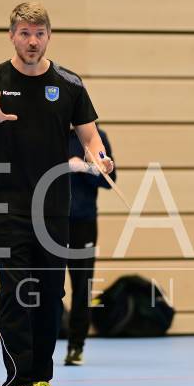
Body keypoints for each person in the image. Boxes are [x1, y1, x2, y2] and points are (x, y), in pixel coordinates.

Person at [0, 2, 113, 386]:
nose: (32, 41)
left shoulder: (69, 84)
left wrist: (99, 158)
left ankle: (41, 380)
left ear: (49, 36)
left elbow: (90, 136)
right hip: (7, 209)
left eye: (39, 33)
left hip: (54, 210)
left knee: (50, 297)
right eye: (24, 33)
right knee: (16, 294)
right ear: (12, 36)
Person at [65, 125, 116, 365]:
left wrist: (87, 168)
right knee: (45, 285)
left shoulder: (96, 137)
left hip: (83, 222)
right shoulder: (50, 133)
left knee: (82, 286)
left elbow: (110, 179)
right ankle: (40, 347)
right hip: (49, 221)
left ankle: (76, 346)